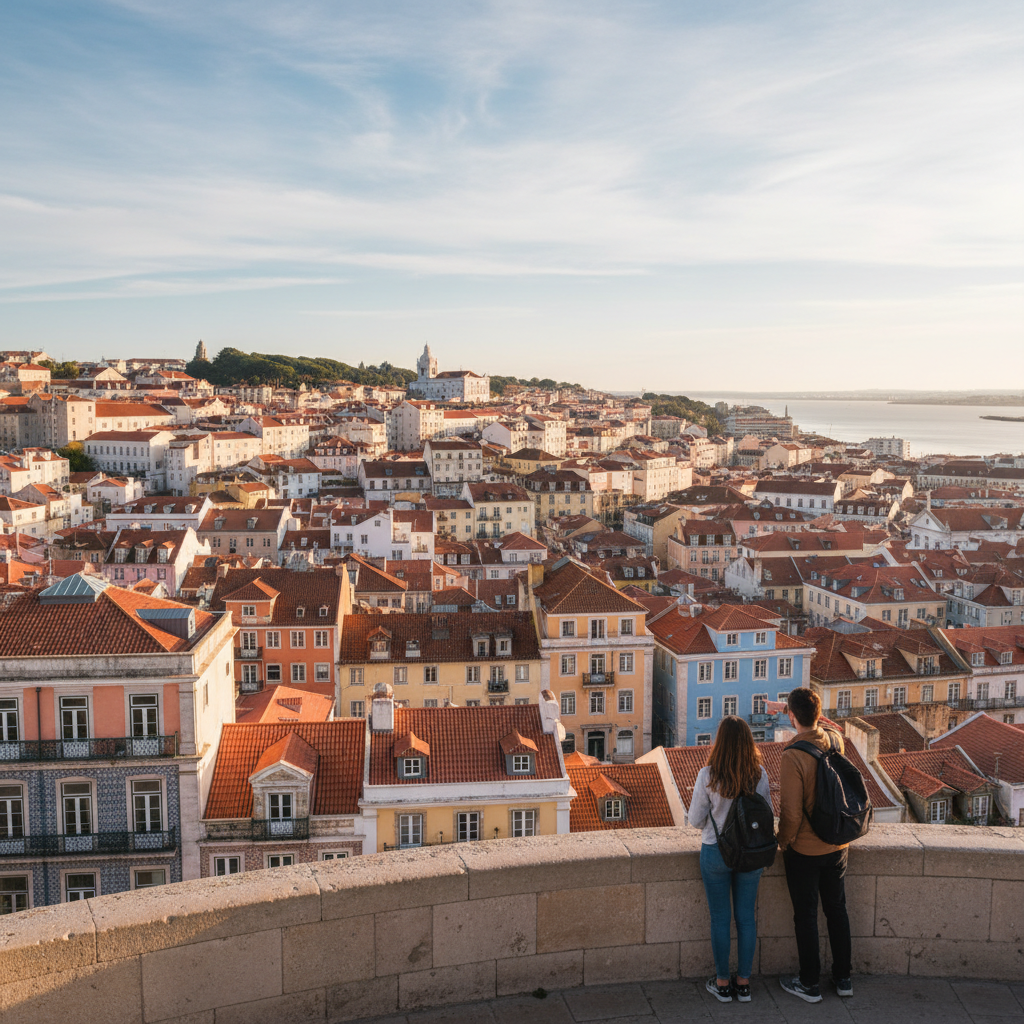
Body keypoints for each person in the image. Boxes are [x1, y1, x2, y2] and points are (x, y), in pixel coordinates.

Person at [777, 687, 853, 1003]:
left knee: (806, 915)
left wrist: (783, 843)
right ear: (820, 714)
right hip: (837, 844)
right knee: (837, 910)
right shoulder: (836, 741)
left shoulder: (793, 756)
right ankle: (843, 977)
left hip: (806, 850)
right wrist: (788, 708)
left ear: (792, 716)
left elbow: (791, 813)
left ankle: (809, 983)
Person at [690, 715, 772, 1004]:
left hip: (716, 852)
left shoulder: (708, 775)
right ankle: (745, 983)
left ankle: (723, 983)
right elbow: (766, 815)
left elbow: (694, 821)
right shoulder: (759, 775)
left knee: (720, 918)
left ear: (719, 742)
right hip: (750, 855)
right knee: (746, 918)